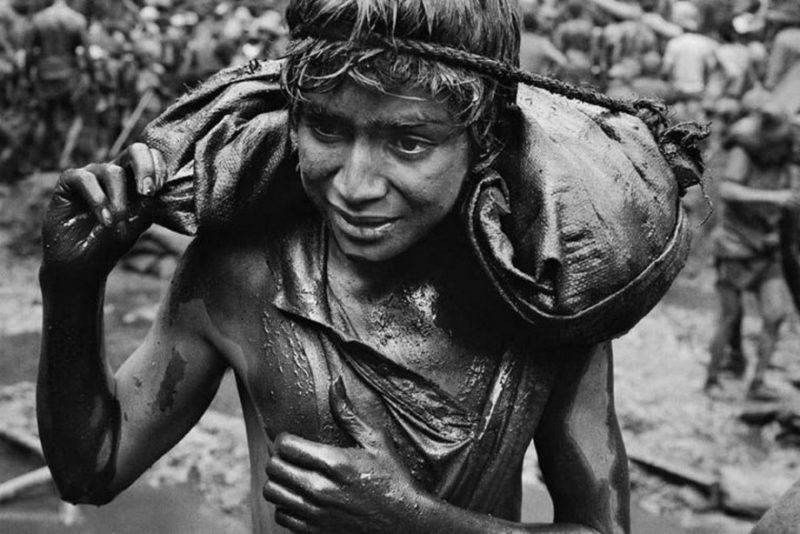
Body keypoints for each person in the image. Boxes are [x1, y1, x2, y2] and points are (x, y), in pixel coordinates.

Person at [37, 0, 698, 532]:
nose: (355, 185)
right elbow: (91, 469)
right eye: (326, 129)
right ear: (293, 119)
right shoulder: (241, 273)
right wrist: (71, 285)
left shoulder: (543, 295)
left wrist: (417, 519)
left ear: (484, 138)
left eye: (407, 141)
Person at [706, 101, 800, 401]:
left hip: (767, 248)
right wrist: (775, 198)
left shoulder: (786, 155)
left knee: (775, 315)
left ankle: (757, 382)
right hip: (735, 246)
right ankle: (712, 379)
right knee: (729, 317)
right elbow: (729, 190)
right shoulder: (743, 150)